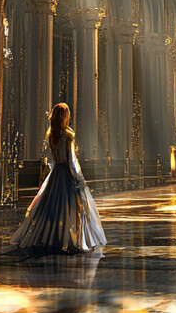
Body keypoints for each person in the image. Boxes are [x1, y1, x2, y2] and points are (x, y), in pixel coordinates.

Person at [10, 103, 106, 253]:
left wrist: (52, 173)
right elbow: (71, 160)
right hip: (66, 173)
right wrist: (78, 178)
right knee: (71, 207)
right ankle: (70, 238)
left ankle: (50, 236)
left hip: (56, 173)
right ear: (65, 117)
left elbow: (51, 160)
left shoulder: (50, 136)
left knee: (52, 206)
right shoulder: (68, 136)